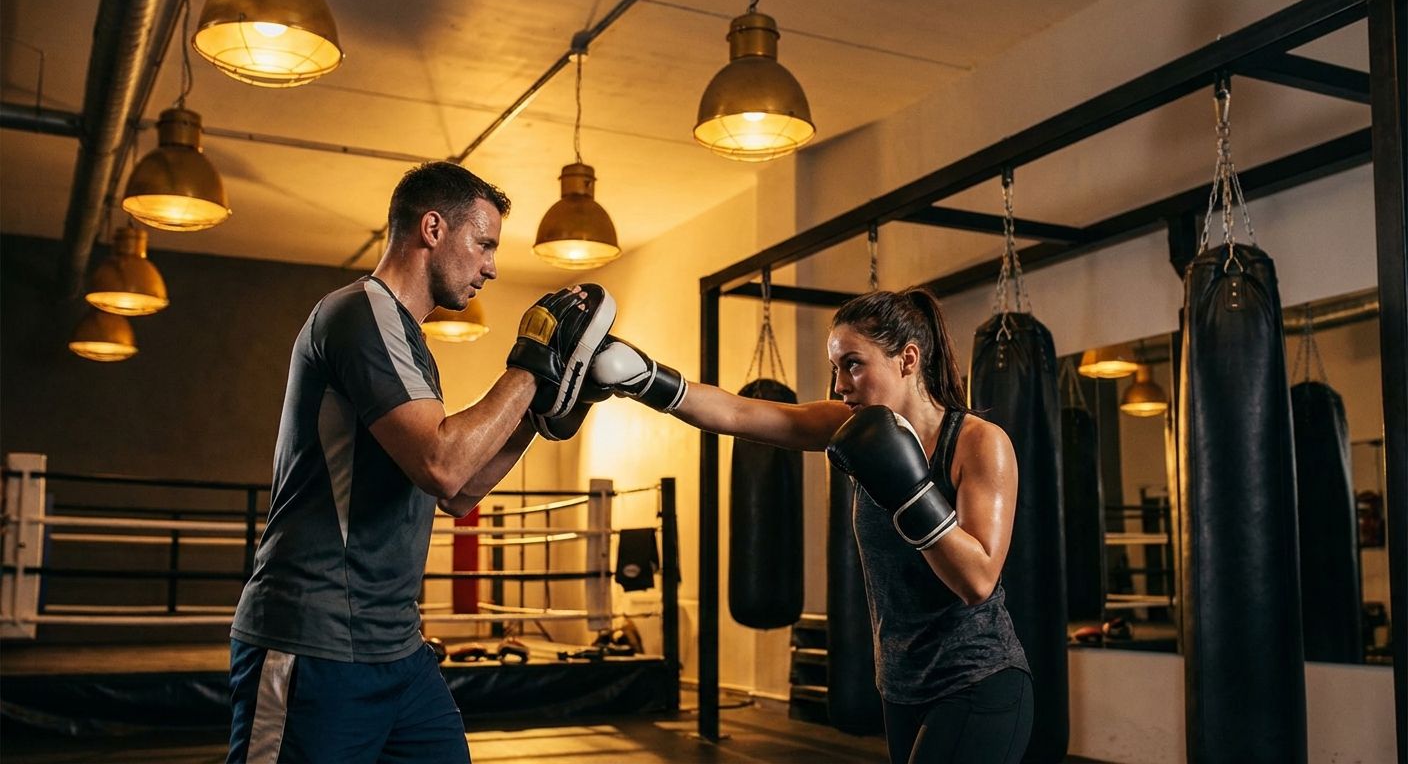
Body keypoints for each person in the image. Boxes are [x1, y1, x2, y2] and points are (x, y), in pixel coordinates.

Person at [226, 161, 615, 764]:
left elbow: (458, 493)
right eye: (483, 243)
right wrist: (531, 364)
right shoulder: (359, 313)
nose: (491, 265)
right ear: (432, 228)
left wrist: (542, 414)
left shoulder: (408, 339)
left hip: (396, 648)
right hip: (314, 640)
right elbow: (442, 463)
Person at [591, 286, 1033, 764]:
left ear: (907, 359)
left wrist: (911, 491)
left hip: (979, 678)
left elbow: (978, 580)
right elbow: (739, 413)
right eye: (835, 368)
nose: (840, 384)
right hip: (902, 686)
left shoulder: (978, 443)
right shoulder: (848, 426)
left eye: (853, 364)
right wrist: (643, 378)